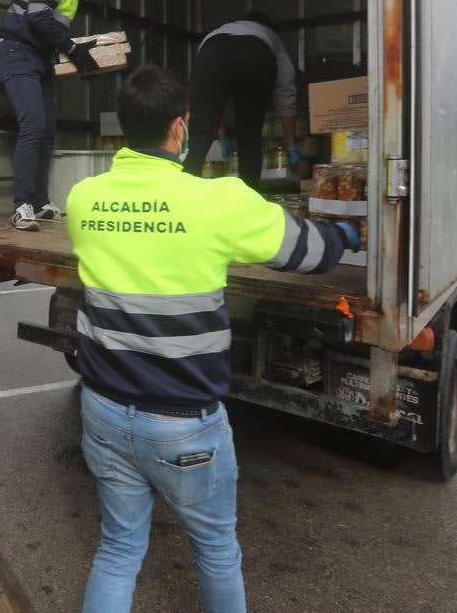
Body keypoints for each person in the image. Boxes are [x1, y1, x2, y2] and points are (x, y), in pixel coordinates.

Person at [67, 65, 359, 613]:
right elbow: (310, 254)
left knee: (118, 547)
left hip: (103, 408)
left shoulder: (85, 199)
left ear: (125, 127)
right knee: (217, 549)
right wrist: (344, 231)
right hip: (182, 421)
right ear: (180, 128)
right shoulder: (219, 201)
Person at [0, 0, 104, 231]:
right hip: (15, 53)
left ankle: (39, 202)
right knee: (34, 126)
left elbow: (49, 28)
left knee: (48, 130)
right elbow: (38, 15)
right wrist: (73, 48)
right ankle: (22, 205)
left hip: (37, 58)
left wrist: (79, 58)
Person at [183, 11, 300, 190]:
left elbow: (210, 103)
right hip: (255, 55)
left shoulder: (215, 34)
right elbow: (286, 93)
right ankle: (249, 198)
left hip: (212, 52)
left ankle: (183, 196)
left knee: (198, 139)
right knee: (249, 136)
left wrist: (223, 139)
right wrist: (290, 143)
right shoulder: (270, 36)